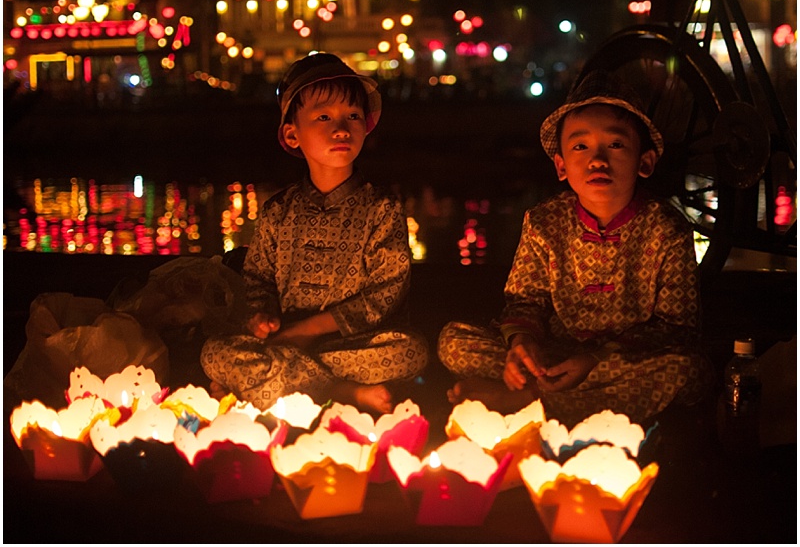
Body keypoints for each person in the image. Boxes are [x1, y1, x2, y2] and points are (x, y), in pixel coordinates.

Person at [438, 70, 713, 427]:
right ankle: (547, 392)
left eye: (615, 145)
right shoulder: (543, 221)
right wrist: (522, 344)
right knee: (454, 341)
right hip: (554, 352)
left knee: (688, 372)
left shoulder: (668, 229)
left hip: (620, 361)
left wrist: (597, 359)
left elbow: (678, 327)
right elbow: (525, 300)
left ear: (644, 162)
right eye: (581, 147)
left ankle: (526, 399)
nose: (597, 160)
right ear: (561, 165)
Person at [201, 53, 429, 415]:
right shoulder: (278, 210)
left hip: (350, 345)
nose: (341, 129)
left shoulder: (381, 208)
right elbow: (258, 280)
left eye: (352, 116)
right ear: (292, 134)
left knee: (409, 352)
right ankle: (342, 391)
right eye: (323, 117)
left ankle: (267, 381)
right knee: (214, 352)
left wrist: (303, 334)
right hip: (286, 338)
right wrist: (262, 317)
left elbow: (384, 294)